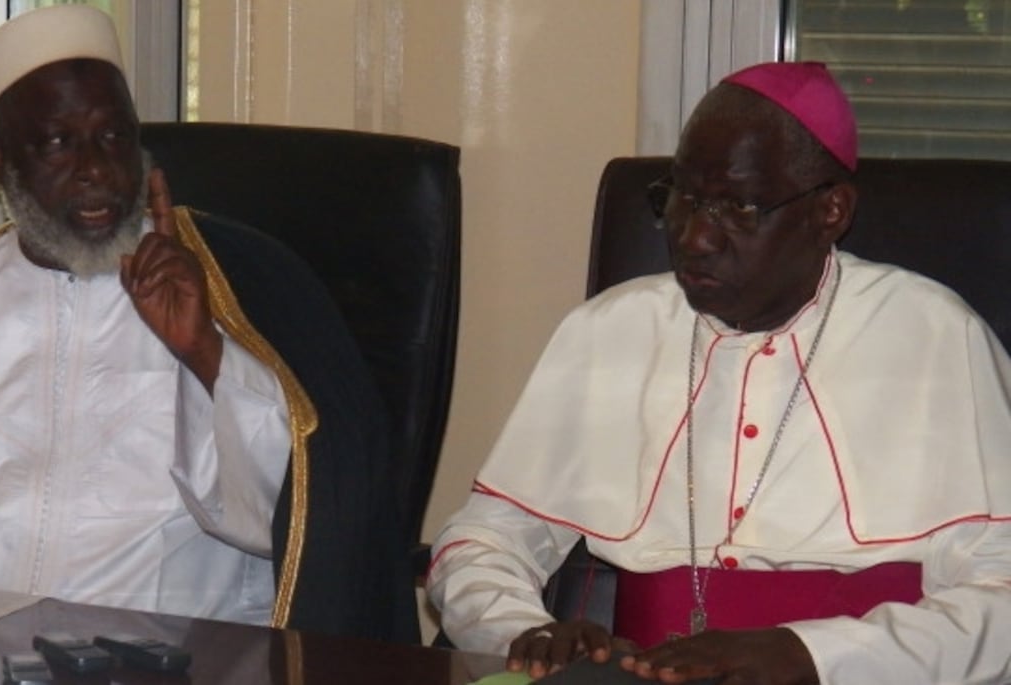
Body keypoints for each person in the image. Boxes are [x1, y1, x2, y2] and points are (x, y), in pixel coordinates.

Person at [0, 4, 417, 644]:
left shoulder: (242, 281)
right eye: (58, 142)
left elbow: (306, 509)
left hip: (173, 652)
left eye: (114, 137)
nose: (95, 168)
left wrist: (206, 353)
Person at [426, 61, 1011, 683]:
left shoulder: (932, 336)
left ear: (831, 211)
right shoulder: (612, 330)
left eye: (739, 207)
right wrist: (522, 629)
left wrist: (815, 654)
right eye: (683, 197)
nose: (695, 236)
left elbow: (1000, 598)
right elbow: (479, 544)